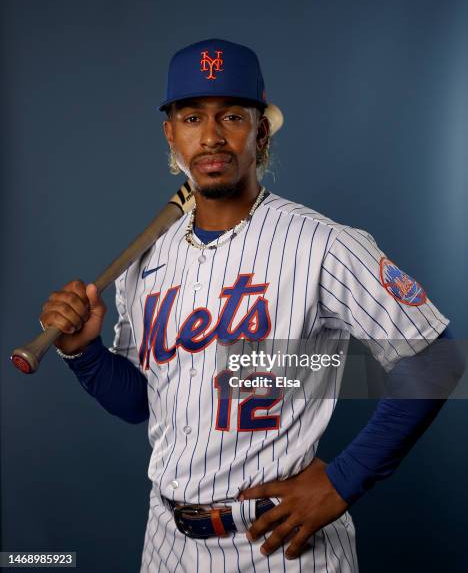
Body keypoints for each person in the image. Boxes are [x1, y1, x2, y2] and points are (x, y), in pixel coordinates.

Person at [39, 39, 462, 572]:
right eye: (192, 117)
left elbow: (437, 359)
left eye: (232, 116)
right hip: (167, 540)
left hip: (280, 543)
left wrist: (343, 481)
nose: (212, 136)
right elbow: (141, 404)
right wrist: (86, 356)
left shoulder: (324, 243)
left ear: (261, 133)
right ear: (171, 134)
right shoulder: (147, 258)